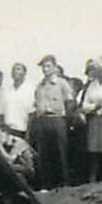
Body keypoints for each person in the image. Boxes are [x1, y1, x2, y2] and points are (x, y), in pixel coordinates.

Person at [29, 56, 75, 189]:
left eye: (48, 66)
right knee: (44, 154)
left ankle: (64, 183)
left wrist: (67, 119)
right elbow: (36, 104)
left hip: (57, 119)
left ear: (55, 67)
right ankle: (46, 184)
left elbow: (70, 102)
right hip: (43, 120)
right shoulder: (40, 86)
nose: (45, 69)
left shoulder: (62, 83)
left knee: (60, 152)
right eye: (43, 67)